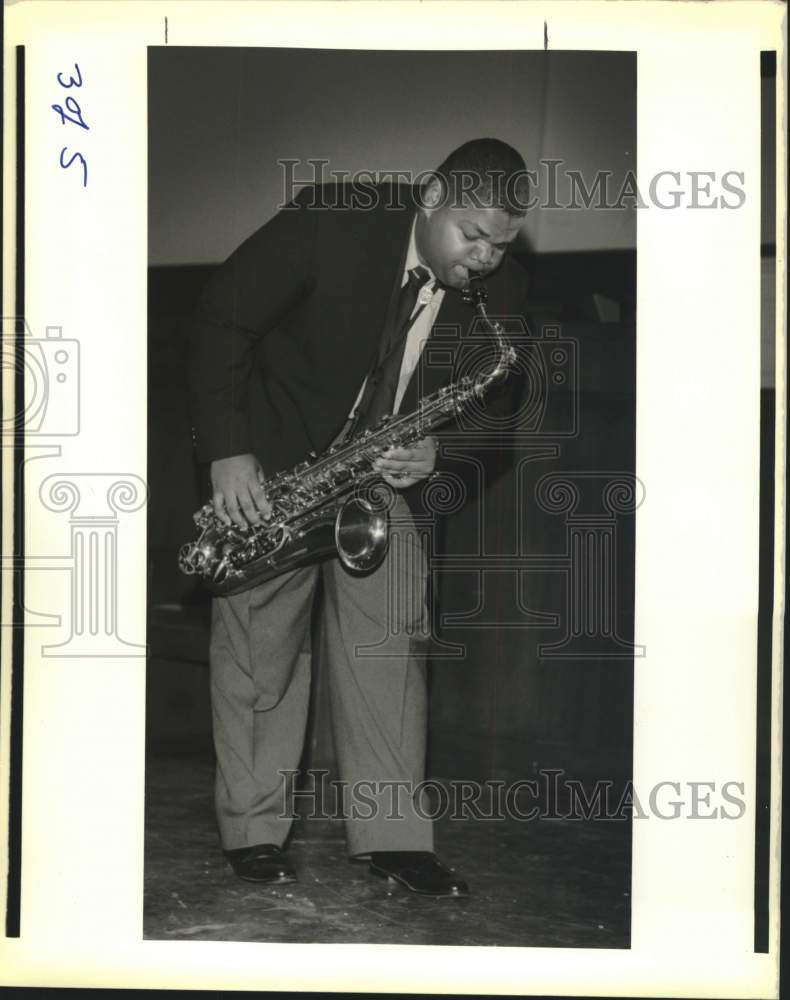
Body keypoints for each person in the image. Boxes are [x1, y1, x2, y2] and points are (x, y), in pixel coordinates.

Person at [187, 137, 531, 897]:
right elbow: (221, 317)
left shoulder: (501, 295)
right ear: (433, 197)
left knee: (391, 656)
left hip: (378, 490)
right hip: (274, 466)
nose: (482, 259)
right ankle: (253, 833)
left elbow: (504, 418)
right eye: (471, 237)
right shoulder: (333, 221)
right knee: (260, 654)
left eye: (499, 247)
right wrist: (228, 452)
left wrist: (440, 452)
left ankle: (395, 840)